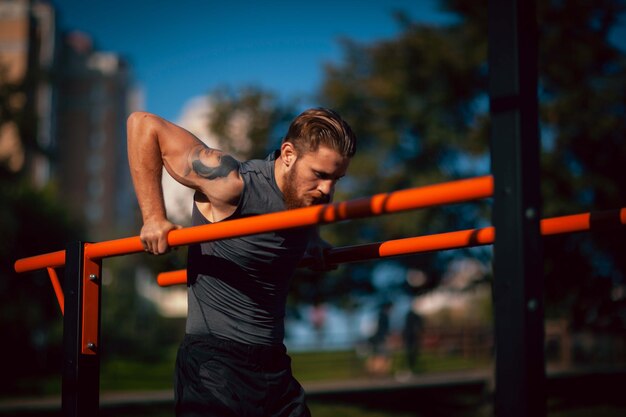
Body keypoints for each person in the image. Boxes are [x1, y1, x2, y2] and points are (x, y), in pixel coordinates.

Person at [127, 107, 356, 417]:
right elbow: (142, 125)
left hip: (274, 365)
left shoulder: (304, 197)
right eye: (320, 175)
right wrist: (154, 217)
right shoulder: (231, 184)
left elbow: (298, 206)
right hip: (216, 365)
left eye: (336, 179)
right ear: (288, 154)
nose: (328, 190)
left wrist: (312, 239)